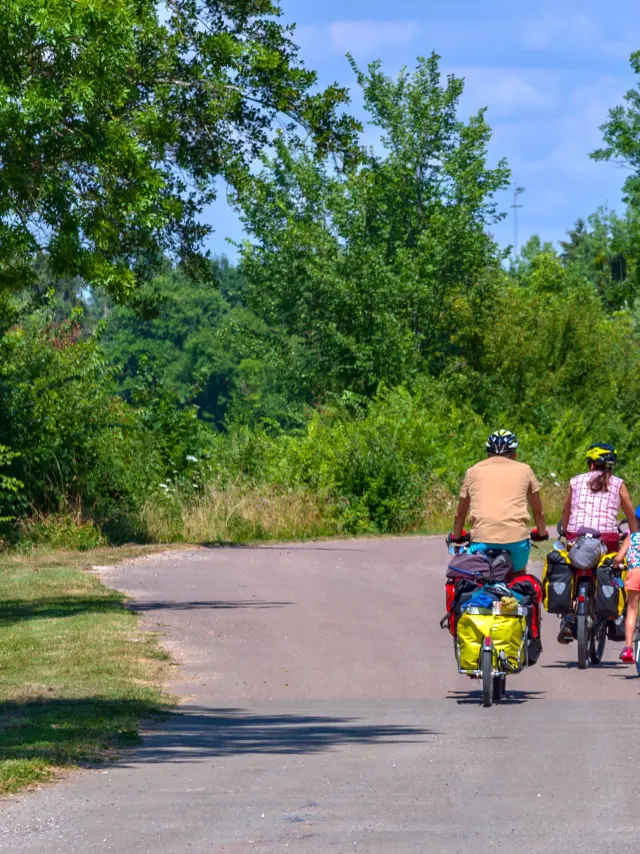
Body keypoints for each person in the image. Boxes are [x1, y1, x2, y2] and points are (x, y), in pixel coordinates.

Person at [450, 430, 549, 572]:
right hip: (516, 541)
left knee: (478, 576)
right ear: (514, 455)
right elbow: (538, 512)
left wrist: (457, 536)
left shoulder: (472, 472)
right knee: (518, 574)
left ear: (488, 454)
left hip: (481, 541)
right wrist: (541, 533)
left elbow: (460, 513)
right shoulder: (525, 470)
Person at [560, 443, 637, 554]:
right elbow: (630, 515)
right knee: (614, 560)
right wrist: (635, 536)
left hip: (575, 536)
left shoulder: (575, 481)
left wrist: (564, 529)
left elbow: (566, 511)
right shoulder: (618, 483)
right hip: (607, 538)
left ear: (591, 464)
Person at [613, 506, 640, 663]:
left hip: (635, 574)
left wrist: (617, 565)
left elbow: (618, 558)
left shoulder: (632, 537)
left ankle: (628, 649)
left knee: (632, 610)